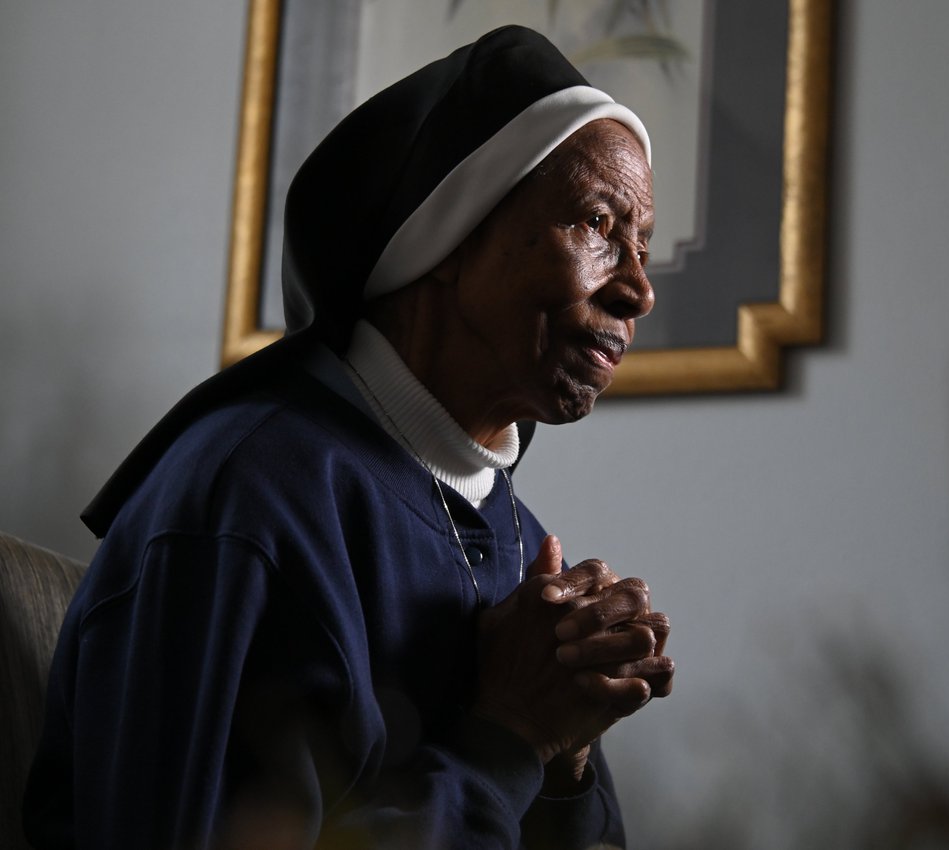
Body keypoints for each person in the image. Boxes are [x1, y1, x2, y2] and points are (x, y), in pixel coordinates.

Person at [24, 25, 673, 850]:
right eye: (598, 224)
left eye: (643, 246)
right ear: (450, 236)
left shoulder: (522, 540)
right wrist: (509, 740)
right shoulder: (249, 499)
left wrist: (565, 748)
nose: (639, 291)